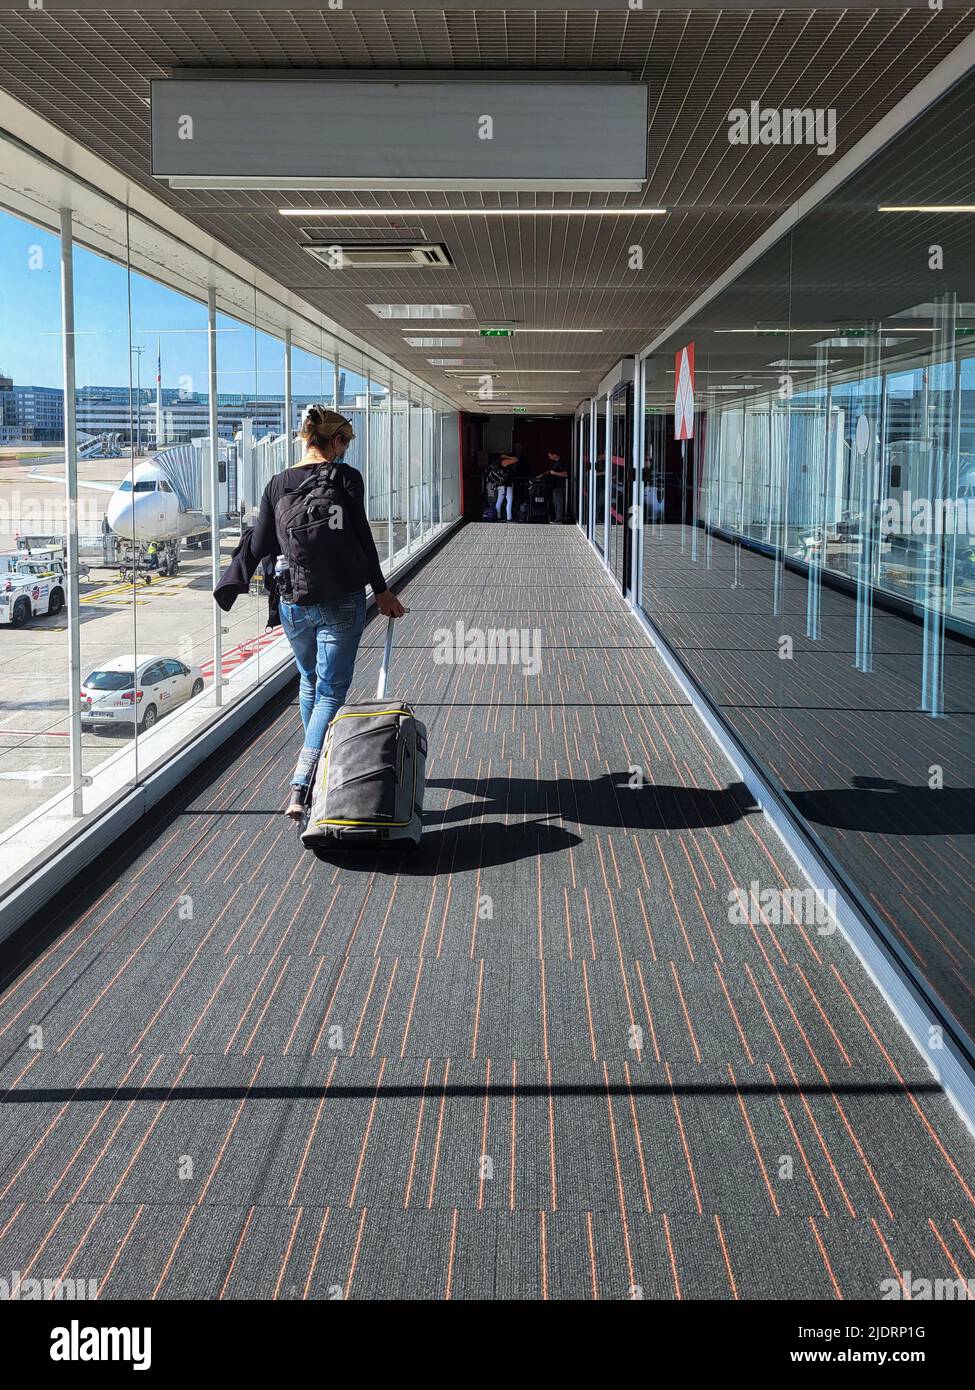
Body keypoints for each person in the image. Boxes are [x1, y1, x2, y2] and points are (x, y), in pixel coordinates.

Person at [214, 405, 406, 822]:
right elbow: (362, 540)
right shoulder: (345, 478)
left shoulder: (277, 483)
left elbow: (262, 540)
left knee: (309, 681)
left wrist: (234, 578)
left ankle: (314, 756)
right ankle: (303, 780)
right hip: (340, 599)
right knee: (332, 691)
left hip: (292, 603)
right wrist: (383, 591)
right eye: (345, 444)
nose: (345, 452)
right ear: (334, 441)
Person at [543, 450, 569, 521]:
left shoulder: (561, 463)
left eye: (551, 455)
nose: (550, 457)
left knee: (558, 501)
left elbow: (565, 474)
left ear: (555, 455)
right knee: (555, 502)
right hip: (555, 486)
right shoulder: (555, 463)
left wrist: (554, 473)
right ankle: (557, 517)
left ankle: (559, 517)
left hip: (559, 486)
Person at [493, 454, 517, 521]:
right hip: (507, 485)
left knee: (499, 501)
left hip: (501, 485)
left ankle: (498, 517)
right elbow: (515, 460)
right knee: (509, 501)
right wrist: (510, 457)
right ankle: (509, 518)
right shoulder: (504, 462)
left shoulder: (500, 464)